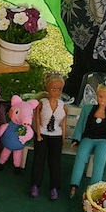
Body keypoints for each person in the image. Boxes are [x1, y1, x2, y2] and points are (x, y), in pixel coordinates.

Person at [69, 76, 106, 198]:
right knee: (80, 157)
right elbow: (80, 125)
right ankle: (74, 185)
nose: (103, 100)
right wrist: (76, 139)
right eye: (100, 96)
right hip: (88, 138)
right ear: (97, 95)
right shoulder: (87, 109)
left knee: (100, 161)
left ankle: (94, 189)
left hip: (103, 141)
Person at [30, 71, 68, 200]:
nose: (56, 92)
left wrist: (63, 139)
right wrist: (38, 134)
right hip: (42, 134)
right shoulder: (43, 103)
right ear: (47, 88)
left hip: (56, 135)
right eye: (53, 89)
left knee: (55, 162)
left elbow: (63, 123)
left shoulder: (63, 106)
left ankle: (54, 187)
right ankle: (35, 185)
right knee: (39, 160)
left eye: (59, 89)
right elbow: (37, 119)